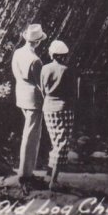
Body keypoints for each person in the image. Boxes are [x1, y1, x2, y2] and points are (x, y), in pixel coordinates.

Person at [11, 23, 46, 192]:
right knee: (32, 137)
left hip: (21, 95)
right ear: (38, 42)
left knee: (28, 134)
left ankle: (27, 172)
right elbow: (41, 84)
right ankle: (25, 175)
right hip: (34, 100)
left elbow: (15, 73)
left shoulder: (18, 53)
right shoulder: (35, 60)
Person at [41, 40, 77, 190]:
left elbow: (42, 89)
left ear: (52, 54)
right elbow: (73, 92)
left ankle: (49, 175)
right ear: (63, 55)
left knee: (55, 141)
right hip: (64, 108)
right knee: (62, 144)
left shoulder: (45, 68)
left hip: (48, 107)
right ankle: (53, 181)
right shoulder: (67, 70)